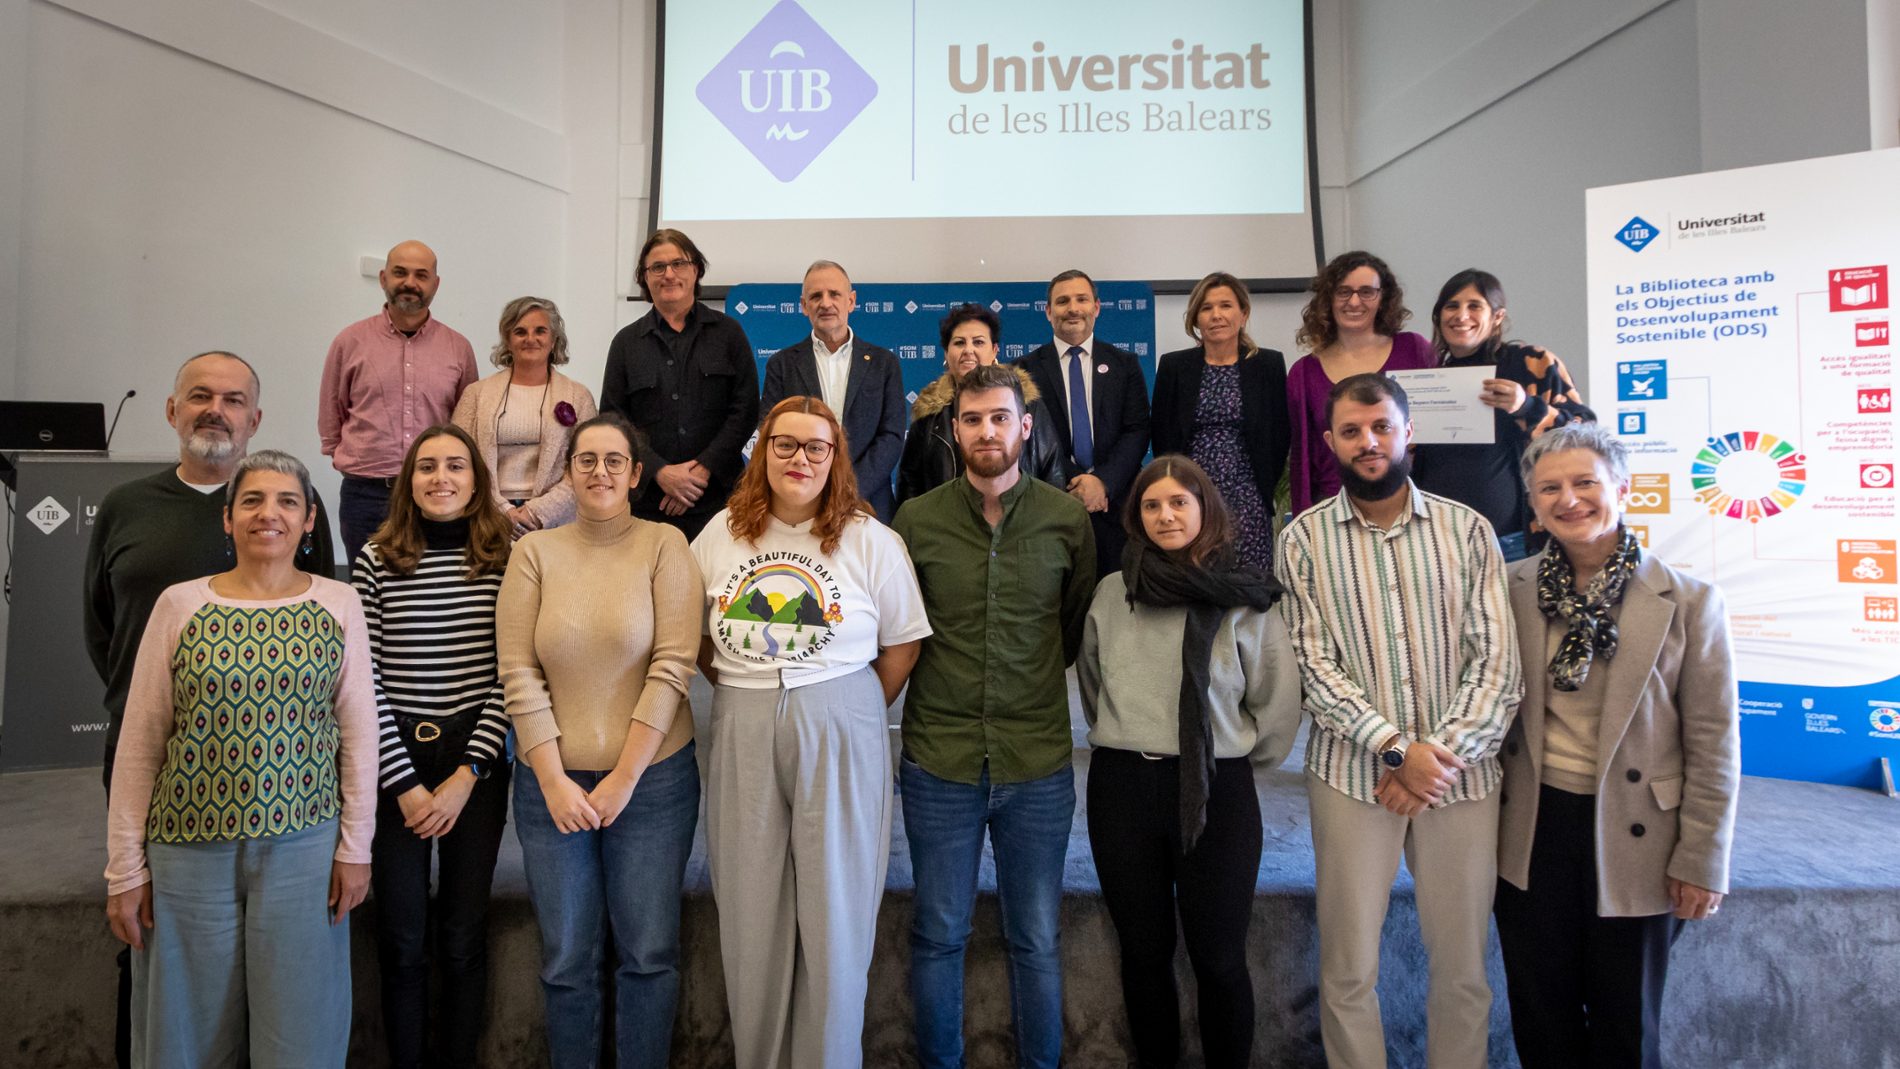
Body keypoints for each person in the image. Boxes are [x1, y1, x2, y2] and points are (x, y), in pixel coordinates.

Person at [82, 350, 335, 1069]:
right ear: (172, 410)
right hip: (154, 753)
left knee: (280, 988)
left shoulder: (295, 523)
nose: (214, 410)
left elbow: (331, 644)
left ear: (254, 419)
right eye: (199, 395)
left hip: (285, 799)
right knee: (152, 940)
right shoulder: (129, 505)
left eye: (232, 399)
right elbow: (100, 623)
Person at [1276, 373, 1523, 1069]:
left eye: (1382, 426)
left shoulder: (1467, 530)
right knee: (1349, 970)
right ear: (1329, 443)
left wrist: (1432, 758)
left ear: (1408, 431)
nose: (1369, 441)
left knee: (1463, 970)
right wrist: (1393, 750)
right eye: (1352, 431)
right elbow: (1312, 665)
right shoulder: (1302, 540)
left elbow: (1499, 664)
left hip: (1460, 780)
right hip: (1354, 777)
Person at [103, 450, 377, 1067]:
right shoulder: (181, 605)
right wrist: (125, 869)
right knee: (185, 1036)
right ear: (227, 520)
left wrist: (355, 847)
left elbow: (358, 734)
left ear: (310, 520)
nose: (268, 514)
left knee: (302, 1035)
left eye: (287, 501)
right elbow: (142, 742)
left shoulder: (339, 604)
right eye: (252, 501)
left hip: (304, 848)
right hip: (186, 850)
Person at [690, 396, 931, 1068]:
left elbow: (903, 644)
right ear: (761, 452)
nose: (800, 459)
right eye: (784, 444)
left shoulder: (871, 539)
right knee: (749, 910)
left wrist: (846, 708)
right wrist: (744, 689)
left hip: (843, 717)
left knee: (837, 913)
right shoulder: (719, 535)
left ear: (836, 457)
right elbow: (694, 637)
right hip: (742, 715)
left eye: (815, 447)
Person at [1494, 423, 1739, 1069]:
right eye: (1550, 488)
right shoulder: (1507, 588)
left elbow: (1715, 741)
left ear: (1622, 489)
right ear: (1534, 501)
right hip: (1532, 829)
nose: (1568, 499)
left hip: (1642, 840)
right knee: (1540, 1019)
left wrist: (1703, 857)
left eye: (1584, 483)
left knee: (1626, 1028)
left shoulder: (1689, 601)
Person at [891, 362, 1096, 1069]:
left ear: (1025, 427)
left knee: (1035, 935)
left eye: (1000, 418)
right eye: (973, 419)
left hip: (1036, 760)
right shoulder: (915, 520)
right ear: (955, 430)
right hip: (939, 760)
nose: (987, 431)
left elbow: (1072, 629)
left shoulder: (1066, 518)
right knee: (939, 931)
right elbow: (901, 629)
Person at [1078, 455, 1300, 1068]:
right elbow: (1096, 685)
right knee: (1144, 953)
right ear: (1136, 515)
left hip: (1216, 790)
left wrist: (1224, 764)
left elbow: (1277, 706)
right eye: (1152, 505)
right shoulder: (1111, 591)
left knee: (1220, 958)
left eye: (1180, 502)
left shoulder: (1245, 598)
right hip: (1124, 787)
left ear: (1206, 511)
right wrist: (1135, 733)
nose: (1166, 515)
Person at [497, 413, 703, 1068]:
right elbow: (518, 672)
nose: (600, 472)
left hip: (654, 782)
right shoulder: (534, 553)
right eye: (586, 459)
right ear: (568, 471)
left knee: (648, 955)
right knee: (565, 959)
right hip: (548, 785)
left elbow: (674, 665)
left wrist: (623, 777)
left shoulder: (666, 544)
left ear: (637, 474)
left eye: (615, 460)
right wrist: (554, 778)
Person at [352, 425, 514, 1069]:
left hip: (475, 761)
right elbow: (362, 679)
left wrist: (470, 770)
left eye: (455, 465)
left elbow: (516, 670)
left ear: (477, 480)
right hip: (398, 765)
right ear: (408, 481)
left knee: (462, 935)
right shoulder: (376, 556)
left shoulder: (507, 555)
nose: (440, 477)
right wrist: (406, 784)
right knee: (403, 936)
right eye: (426, 467)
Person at [1411, 269, 1595, 560]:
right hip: (1438, 544)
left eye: (1475, 306)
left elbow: (1584, 436)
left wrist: (1526, 406)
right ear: (1438, 317)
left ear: (1497, 316)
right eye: (1452, 306)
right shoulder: (1430, 379)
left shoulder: (1531, 363)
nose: (1461, 315)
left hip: (1512, 542)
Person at [319, 239, 480, 560]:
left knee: (432, 588)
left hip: (436, 492)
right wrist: (351, 457)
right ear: (383, 278)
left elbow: (467, 424)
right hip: (366, 493)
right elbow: (331, 414)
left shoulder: (458, 348)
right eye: (400, 273)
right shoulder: (349, 342)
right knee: (366, 590)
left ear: (435, 284)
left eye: (421, 275)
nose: (410, 283)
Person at [600, 228, 759, 540]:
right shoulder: (626, 343)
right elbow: (613, 421)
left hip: (721, 499)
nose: (668, 274)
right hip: (647, 503)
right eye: (657, 267)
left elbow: (746, 409)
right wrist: (661, 472)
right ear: (644, 278)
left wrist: (700, 471)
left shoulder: (729, 333)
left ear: (696, 269)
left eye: (678, 264)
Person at [1151, 272, 1292, 570]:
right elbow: (1162, 434)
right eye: (1206, 308)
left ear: (1243, 313)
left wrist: (1261, 487)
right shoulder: (1174, 366)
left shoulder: (1268, 365)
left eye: (1225, 306)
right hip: (1189, 495)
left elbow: (1279, 433)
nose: (1216, 315)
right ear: (1195, 319)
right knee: (1192, 578)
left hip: (1248, 495)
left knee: (1249, 586)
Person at [1019, 268, 1152, 578]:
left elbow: (1137, 430)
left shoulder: (1125, 365)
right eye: (1063, 301)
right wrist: (1080, 482)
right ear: (1049, 312)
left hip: (1116, 505)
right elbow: (1032, 437)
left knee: (1118, 603)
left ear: (1096, 307)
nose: (1073, 308)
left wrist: (1102, 482)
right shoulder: (1025, 370)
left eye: (1082, 299)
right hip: (1054, 502)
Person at [1286, 251, 1436, 516]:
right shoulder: (1303, 373)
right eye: (1343, 292)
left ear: (1383, 298)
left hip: (1411, 506)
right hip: (1333, 510)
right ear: (1328, 298)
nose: (1354, 301)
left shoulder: (1415, 350)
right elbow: (1302, 460)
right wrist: (1304, 518)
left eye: (1367, 291)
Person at [760, 260, 909, 521]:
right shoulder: (782, 364)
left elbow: (892, 436)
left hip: (868, 502)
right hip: (801, 504)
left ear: (850, 301)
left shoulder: (884, 363)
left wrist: (847, 488)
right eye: (816, 296)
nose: (825, 303)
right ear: (804, 306)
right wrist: (813, 485)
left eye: (834, 294)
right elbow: (770, 430)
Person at [451, 295, 600, 539]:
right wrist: (503, 511)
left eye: (540, 331)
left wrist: (536, 512)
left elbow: (587, 464)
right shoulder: (476, 395)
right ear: (508, 340)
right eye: (520, 332)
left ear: (553, 340)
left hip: (556, 521)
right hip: (488, 517)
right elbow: (458, 459)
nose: (530, 339)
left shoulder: (578, 396)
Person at [894, 303, 1066, 508]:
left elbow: (1052, 473)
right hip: (946, 529)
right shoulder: (929, 412)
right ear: (946, 353)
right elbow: (910, 482)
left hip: (1022, 527)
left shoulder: (1027, 404)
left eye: (978, 342)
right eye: (959, 343)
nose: (968, 350)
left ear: (994, 350)